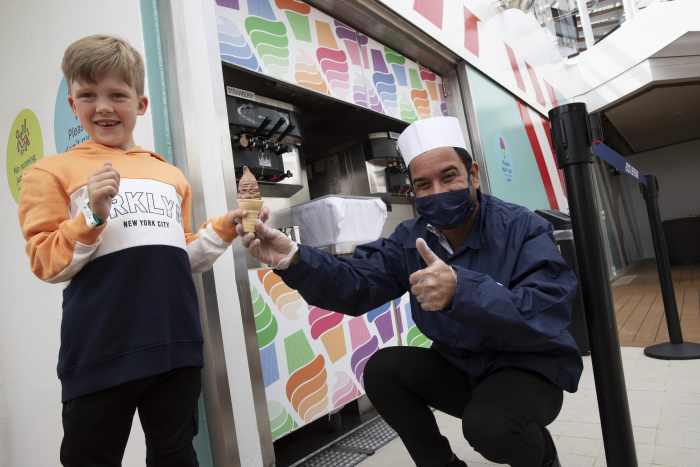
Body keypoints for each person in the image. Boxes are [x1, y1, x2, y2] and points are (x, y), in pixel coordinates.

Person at [237, 116, 583, 467]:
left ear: (473, 175)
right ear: (413, 191)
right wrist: (294, 259)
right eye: (423, 184)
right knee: (384, 370)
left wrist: (462, 290)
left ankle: (543, 458)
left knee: (490, 429)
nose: (437, 191)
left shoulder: (521, 227)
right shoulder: (410, 238)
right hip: (462, 366)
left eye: (449, 177)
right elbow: (356, 283)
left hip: (529, 366)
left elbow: (547, 309)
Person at [17, 34, 267, 466]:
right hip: (100, 348)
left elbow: (179, 257)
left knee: (175, 454)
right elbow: (46, 263)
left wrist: (224, 228)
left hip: (176, 343)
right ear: (74, 106)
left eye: (118, 94)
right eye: (88, 95)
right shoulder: (48, 172)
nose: (103, 107)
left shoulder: (170, 175)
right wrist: (92, 214)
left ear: (141, 104)